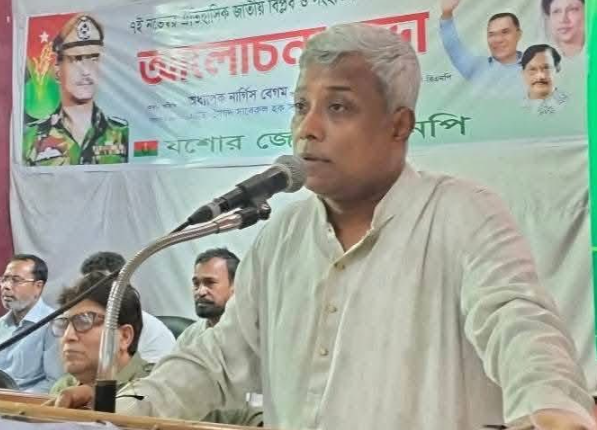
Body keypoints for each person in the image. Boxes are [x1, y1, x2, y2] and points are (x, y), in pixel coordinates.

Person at [53, 23, 596, 430]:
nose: (307, 129)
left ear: (399, 125)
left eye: (338, 108)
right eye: (301, 106)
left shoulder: (462, 214)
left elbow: (518, 322)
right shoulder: (283, 235)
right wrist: (126, 405)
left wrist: (552, 407)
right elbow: (218, 359)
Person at [24, 13, 128, 166]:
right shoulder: (31, 137)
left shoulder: (122, 133)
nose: (86, 71)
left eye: (94, 58)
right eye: (76, 59)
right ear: (57, 70)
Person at [177, 248, 263, 426]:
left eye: (210, 283)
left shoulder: (259, 335)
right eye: (196, 283)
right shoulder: (189, 336)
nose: (200, 291)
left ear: (236, 286)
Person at [49, 271, 151, 395]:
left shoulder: (155, 389)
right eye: (63, 325)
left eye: (84, 321)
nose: (67, 336)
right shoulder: (64, 387)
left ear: (124, 337)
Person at [80, 251, 176, 364]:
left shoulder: (131, 321)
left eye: (96, 285)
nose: (89, 294)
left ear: (123, 283)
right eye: (87, 286)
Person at [0, 255, 62, 392]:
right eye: (4, 279)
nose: (6, 286)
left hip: (24, 402)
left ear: (38, 287)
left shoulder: (53, 324)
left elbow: (55, 383)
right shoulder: (1, 324)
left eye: (16, 280)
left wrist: (15, 399)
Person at [439, 0, 524, 96]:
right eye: (492, 34)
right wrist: (447, 14)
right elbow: (454, 48)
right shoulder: (478, 69)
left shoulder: (534, 65)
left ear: (519, 34)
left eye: (505, 32)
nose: (498, 39)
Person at [521, 44, 568, 114]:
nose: (540, 76)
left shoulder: (571, 105)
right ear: (523, 73)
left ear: (557, 69)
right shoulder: (514, 106)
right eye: (532, 69)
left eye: (546, 68)